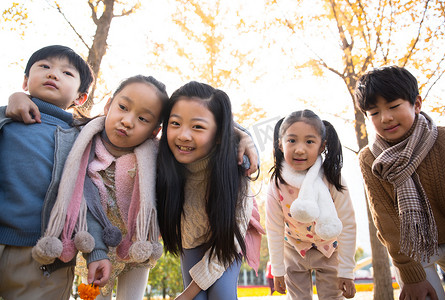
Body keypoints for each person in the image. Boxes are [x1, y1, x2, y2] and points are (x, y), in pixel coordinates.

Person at [29, 74, 168, 300]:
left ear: (155, 131)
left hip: (137, 247)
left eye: (143, 119)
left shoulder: (158, 155)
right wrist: (19, 98)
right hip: (94, 247)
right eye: (123, 107)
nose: (128, 121)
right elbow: (47, 113)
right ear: (108, 105)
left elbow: (201, 135)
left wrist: (243, 137)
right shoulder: (79, 139)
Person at [0, 45, 110, 300]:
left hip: (45, 257)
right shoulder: (6, 119)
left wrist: (97, 252)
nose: (53, 74)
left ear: (81, 97)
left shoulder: (82, 139)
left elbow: (87, 200)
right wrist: (11, 102)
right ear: (26, 81)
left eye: (67, 73)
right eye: (45, 66)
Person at [156, 81, 264, 300]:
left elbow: (230, 243)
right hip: (190, 238)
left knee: (220, 296)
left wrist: (187, 293)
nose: (183, 135)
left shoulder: (235, 167)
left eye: (197, 127)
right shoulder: (162, 162)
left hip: (227, 239)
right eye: (175, 123)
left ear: (218, 135)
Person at [355, 66, 445, 300]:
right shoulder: (369, 158)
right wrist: (410, 274)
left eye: (394, 106)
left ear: (416, 104)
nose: (385, 117)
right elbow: (385, 220)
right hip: (413, 249)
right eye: (374, 113)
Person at [266, 110, 357, 300]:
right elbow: (274, 228)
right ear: (280, 144)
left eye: (309, 141)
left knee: (333, 297)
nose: (300, 149)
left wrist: (347, 271)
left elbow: (347, 224)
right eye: (292, 140)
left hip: (329, 248)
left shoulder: (332, 179)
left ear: (322, 145)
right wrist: (278, 270)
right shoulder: (277, 183)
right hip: (294, 249)